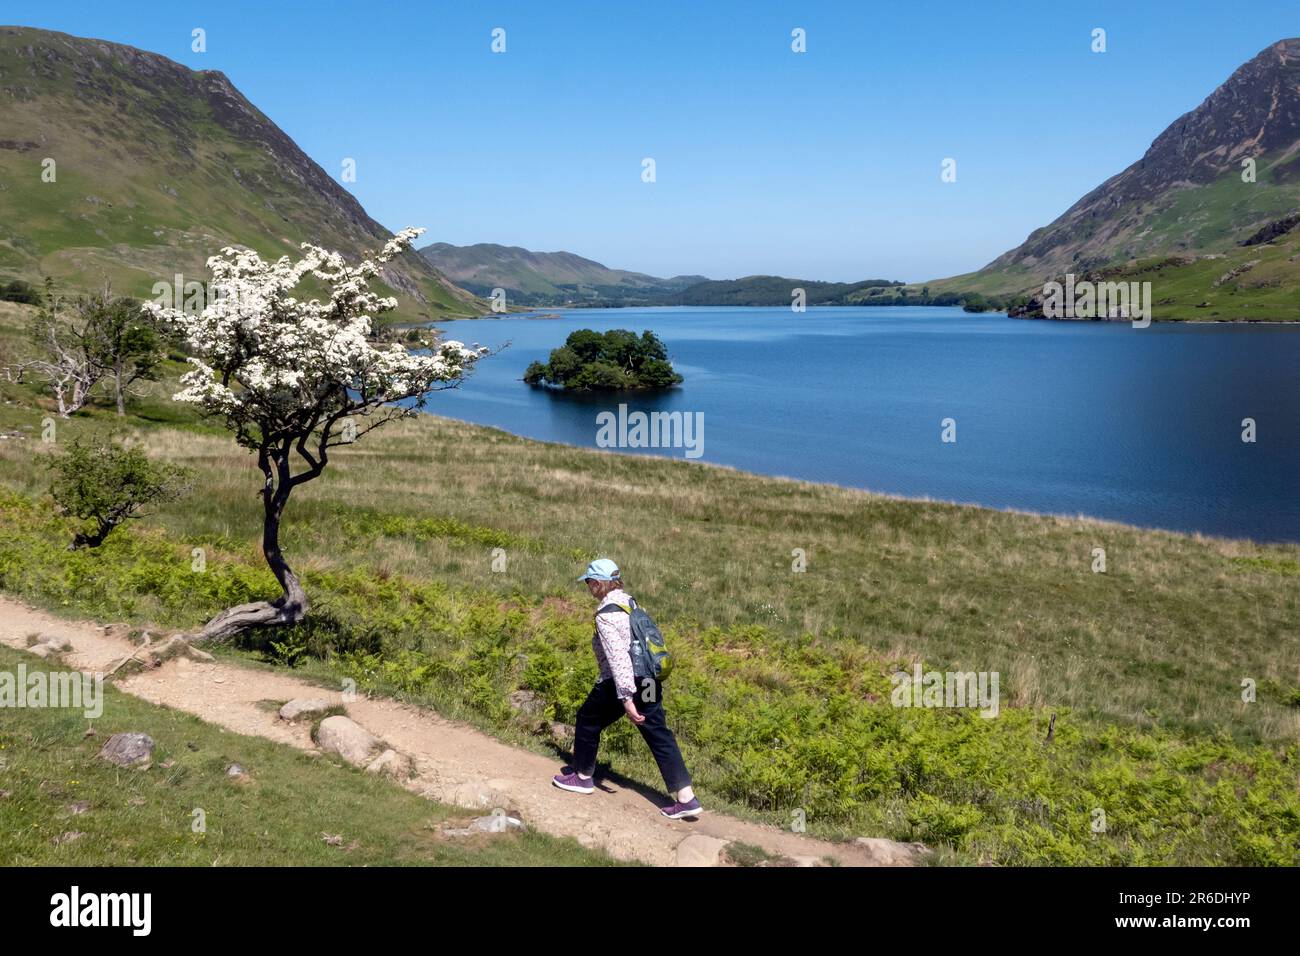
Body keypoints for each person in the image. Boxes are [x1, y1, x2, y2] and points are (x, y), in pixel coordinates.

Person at [552, 558, 703, 819]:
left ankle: (583, 777)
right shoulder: (632, 604)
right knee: (658, 732)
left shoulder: (607, 614)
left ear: (599, 584)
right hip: (649, 679)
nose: (587, 586)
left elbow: (618, 658)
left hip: (622, 681)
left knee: (587, 718)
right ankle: (686, 797)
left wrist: (626, 698)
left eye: (589, 582)